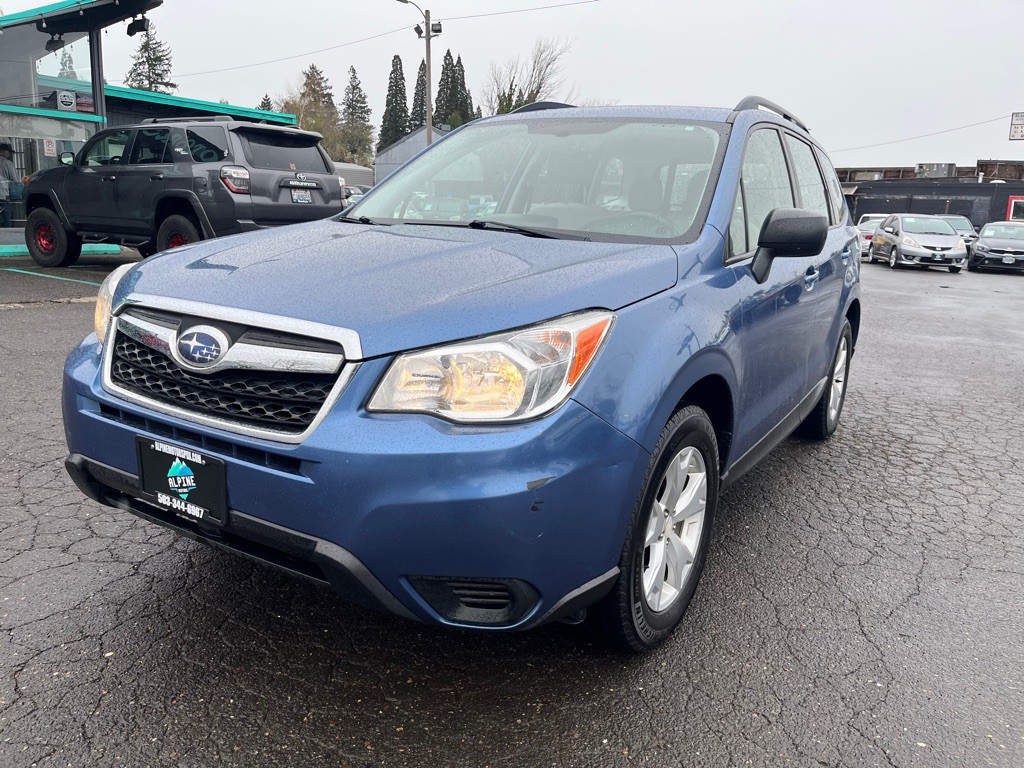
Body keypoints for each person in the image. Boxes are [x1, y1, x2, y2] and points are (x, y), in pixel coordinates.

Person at [0, 142, 22, 229]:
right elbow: (15, 180)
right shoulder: (7, 163)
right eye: (8, 152)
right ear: (3, 151)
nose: (9, 154)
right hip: (3, 195)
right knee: (7, 218)